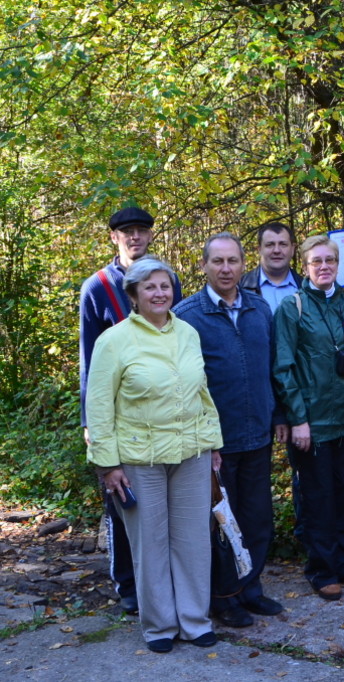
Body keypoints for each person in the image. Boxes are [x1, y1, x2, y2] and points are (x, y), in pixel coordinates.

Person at [85, 256, 222, 653]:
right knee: (150, 543)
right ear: (133, 295)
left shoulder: (189, 333)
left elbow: (202, 394)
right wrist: (108, 464)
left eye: (165, 286)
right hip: (138, 461)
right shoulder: (113, 341)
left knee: (194, 541)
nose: (159, 293)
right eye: (150, 287)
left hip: (191, 454)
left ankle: (195, 621)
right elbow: (99, 407)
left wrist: (213, 444)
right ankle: (160, 626)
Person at [173, 233, 285, 628]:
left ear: (243, 264)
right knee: (221, 522)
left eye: (232, 261)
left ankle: (251, 589)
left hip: (258, 435)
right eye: (217, 261)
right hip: (214, 444)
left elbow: (273, 369)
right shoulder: (187, 315)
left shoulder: (259, 309)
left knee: (257, 519)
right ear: (203, 265)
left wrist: (280, 416)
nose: (225, 269)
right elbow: (183, 386)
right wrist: (204, 439)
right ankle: (224, 597)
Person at [79, 206, 182, 615]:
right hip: (119, 415)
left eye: (141, 231)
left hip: (163, 416)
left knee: (165, 508)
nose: (135, 237)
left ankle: (165, 584)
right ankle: (128, 585)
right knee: (124, 500)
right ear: (114, 238)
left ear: (151, 236)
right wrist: (91, 422)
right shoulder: (99, 286)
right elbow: (89, 359)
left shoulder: (166, 279)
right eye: (127, 232)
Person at [273, 235, 344, 600]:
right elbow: (284, 367)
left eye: (330, 261)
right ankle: (321, 571)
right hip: (313, 423)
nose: (324, 267)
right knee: (318, 499)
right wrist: (298, 419)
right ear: (304, 266)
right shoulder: (294, 307)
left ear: (338, 265)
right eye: (316, 261)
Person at [239, 221, 305, 548]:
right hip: (256, 395)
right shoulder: (241, 288)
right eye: (270, 244)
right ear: (260, 249)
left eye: (283, 243)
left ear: (293, 249)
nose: (277, 249)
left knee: (306, 472)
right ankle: (252, 548)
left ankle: (305, 539)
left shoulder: (308, 288)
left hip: (301, 395)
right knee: (253, 476)